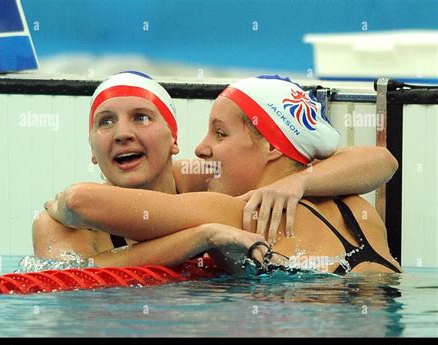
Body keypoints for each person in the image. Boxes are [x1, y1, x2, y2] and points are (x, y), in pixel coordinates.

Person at [38, 73, 400, 274]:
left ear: (171, 140)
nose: (203, 148)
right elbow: (384, 160)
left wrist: (207, 233)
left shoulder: (237, 211)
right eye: (106, 123)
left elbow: (79, 200)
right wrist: (205, 235)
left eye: (220, 133)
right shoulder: (360, 209)